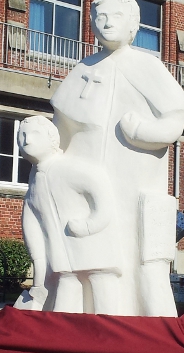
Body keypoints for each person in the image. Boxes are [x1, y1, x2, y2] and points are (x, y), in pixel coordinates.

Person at [50, 0, 184, 316]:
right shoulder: (82, 68)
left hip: (131, 183)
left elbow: (174, 121)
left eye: (116, 17)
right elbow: (60, 128)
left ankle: (142, 325)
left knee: (134, 260)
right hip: (82, 184)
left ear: (134, 25)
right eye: (100, 17)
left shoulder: (146, 65)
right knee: (82, 260)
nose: (107, 23)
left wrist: (142, 131)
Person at [15, 115, 121, 314]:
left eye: (34, 134)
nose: (26, 141)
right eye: (22, 136)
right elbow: (31, 224)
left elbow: (99, 190)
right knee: (65, 292)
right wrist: (39, 269)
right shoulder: (35, 181)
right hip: (62, 257)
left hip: (94, 248)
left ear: (52, 138)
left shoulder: (70, 167)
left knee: (102, 290)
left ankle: (109, 337)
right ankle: (64, 338)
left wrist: (91, 224)